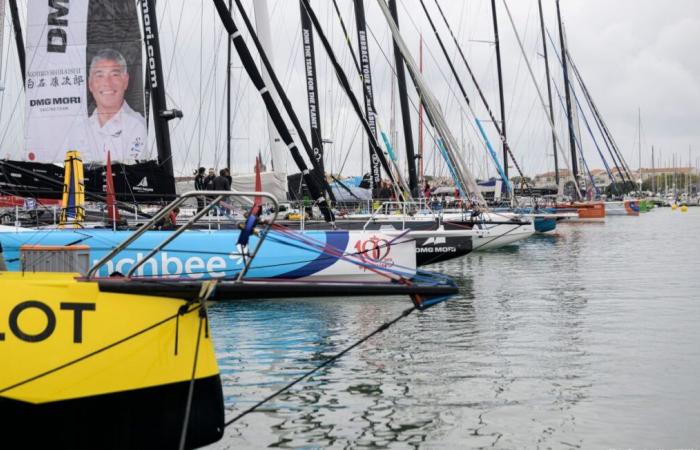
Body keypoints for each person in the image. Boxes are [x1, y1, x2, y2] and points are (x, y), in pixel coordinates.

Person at [65, 48, 147, 163]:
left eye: (114, 75)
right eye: (100, 75)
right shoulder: (78, 131)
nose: (107, 83)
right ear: (90, 83)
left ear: (126, 80)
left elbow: (134, 173)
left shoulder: (138, 126)